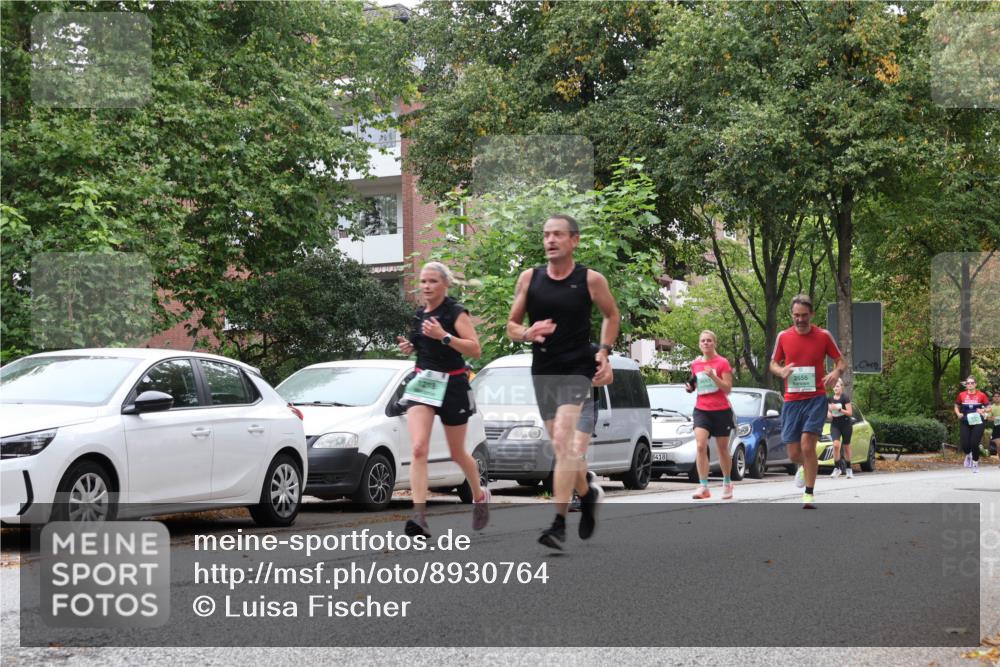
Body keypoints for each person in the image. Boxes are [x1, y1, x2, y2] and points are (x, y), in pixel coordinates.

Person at [507, 214, 619, 550]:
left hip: (577, 367)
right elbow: (511, 325)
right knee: (562, 449)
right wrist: (527, 332)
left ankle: (557, 523)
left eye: (557, 234)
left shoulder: (590, 279)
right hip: (543, 368)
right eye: (546, 235)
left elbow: (611, 315)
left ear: (574, 240)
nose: (550, 240)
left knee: (562, 436)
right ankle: (586, 495)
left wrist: (604, 351)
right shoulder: (530, 278)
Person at [396, 262, 490, 537]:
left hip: (453, 383)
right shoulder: (419, 314)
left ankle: (479, 496)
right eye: (423, 281)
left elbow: (474, 347)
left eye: (432, 281)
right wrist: (410, 346)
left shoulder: (455, 312)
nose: (426, 286)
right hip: (424, 381)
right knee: (418, 448)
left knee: (457, 452)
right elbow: (420, 343)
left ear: (445, 284)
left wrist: (445, 337)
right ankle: (419, 516)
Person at [769, 294, 847, 509]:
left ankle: (809, 493)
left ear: (811, 314)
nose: (800, 319)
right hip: (792, 401)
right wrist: (781, 370)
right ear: (791, 315)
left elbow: (841, 361)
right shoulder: (783, 336)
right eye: (796, 315)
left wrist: (835, 373)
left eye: (804, 315)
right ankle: (805, 466)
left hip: (815, 399)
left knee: (807, 444)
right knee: (794, 453)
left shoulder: (823, 336)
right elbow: (772, 364)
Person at [684, 330, 736, 500]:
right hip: (702, 409)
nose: (706, 343)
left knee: (722, 449)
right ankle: (703, 486)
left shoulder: (722, 363)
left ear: (714, 343)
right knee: (700, 445)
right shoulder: (695, 364)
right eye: (703, 341)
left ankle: (727, 482)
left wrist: (713, 376)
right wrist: (690, 387)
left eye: (709, 341)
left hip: (721, 410)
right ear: (699, 344)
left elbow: (727, 389)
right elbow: (695, 383)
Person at [954, 376, 989, 473]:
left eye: (971, 383)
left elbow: (988, 407)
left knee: (974, 443)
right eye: (968, 383)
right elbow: (956, 406)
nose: (969, 384)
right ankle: (968, 455)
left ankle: (975, 463)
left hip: (978, 421)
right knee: (965, 444)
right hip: (965, 421)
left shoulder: (981, 395)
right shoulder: (961, 395)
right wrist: (958, 414)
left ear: (975, 384)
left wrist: (983, 410)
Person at [827, 378, 854, 479]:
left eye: (837, 386)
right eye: (834, 386)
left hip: (846, 424)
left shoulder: (845, 398)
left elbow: (850, 413)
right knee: (836, 445)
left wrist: (839, 409)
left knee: (846, 447)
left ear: (841, 387)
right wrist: (829, 413)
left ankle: (848, 469)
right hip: (835, 424)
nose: (835, 388)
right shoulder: (830, 399)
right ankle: (837, 468)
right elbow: (829, 413)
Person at [990, 392, 1000, 461]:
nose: (996, 397)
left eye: (998, 396)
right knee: (999, 445)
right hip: (997, 427)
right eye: (995, 396)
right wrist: (993, 418)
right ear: (993, 398)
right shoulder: (991, 407)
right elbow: (988, 418)